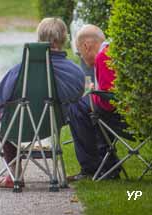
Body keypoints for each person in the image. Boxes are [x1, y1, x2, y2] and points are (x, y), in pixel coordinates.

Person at [0, 17, 85, 188]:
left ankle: (14, 174)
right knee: (6, 98)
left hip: (17, 127)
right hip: (51, 125)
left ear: (39, 40)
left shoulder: (20, 71)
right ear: (65, 39)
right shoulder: (76, 72)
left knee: (4, 106)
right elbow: (76, 100)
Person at [67, 24, 126, 181]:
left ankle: (92, 167)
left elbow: (108, 103)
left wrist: (92, 93)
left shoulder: (102, 56)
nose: (82, 58)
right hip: (128, 112)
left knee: (76, 105)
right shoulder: (113, 50)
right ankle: (107, 164)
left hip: (121, 117)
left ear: (86, 46)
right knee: (86, 107)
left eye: (80, 53)